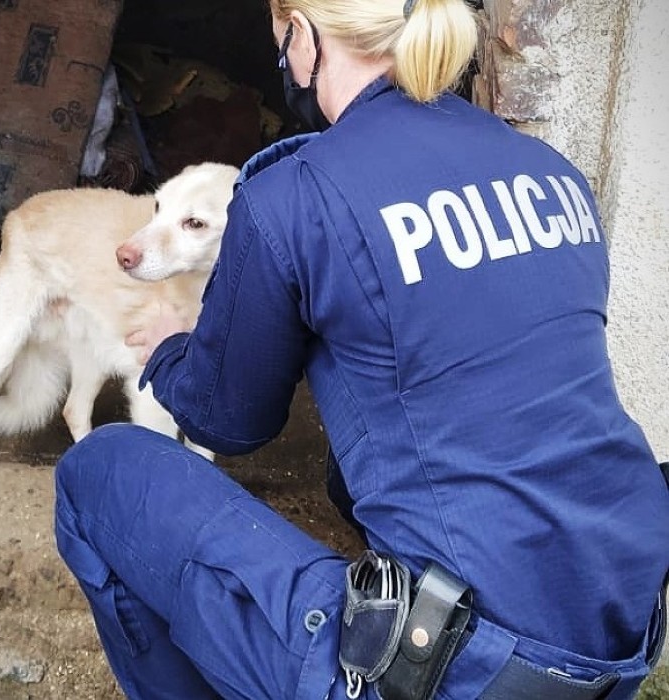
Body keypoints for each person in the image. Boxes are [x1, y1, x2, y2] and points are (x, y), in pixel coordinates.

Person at [54, 0, 669, 697]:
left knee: (98, 471)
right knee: (356, 462)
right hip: (623, 632)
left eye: (280, 36)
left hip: (470, 666)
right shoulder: (550, 171)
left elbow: (228, 421)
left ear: (304, 36)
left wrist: (171, 350)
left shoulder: (293, 194)